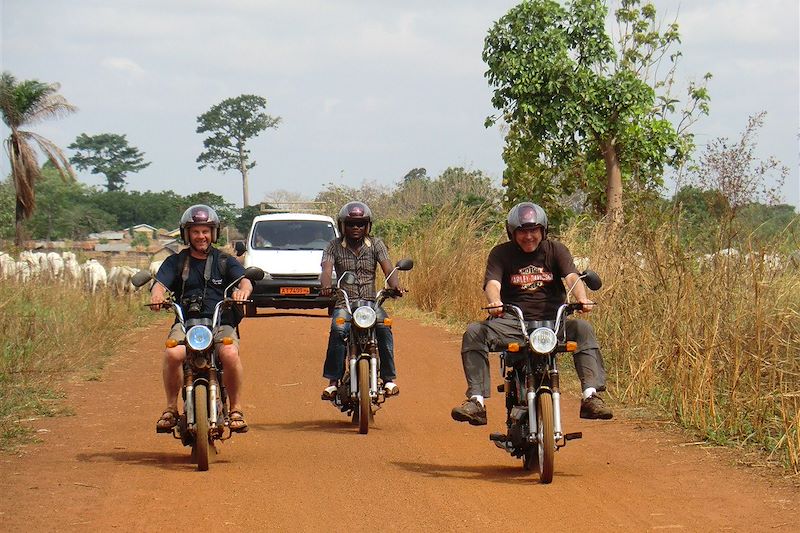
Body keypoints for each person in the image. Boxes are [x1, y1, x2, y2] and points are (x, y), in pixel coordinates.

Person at [451, 202, 612, 426]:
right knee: (474, 332)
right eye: (523, 232)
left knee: (583, 329)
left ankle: (591, 396)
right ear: (512, 233)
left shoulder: (556, 250)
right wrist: (495, 301)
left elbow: (572, 277)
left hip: (553, 323)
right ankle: (476, 401)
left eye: (533, 230)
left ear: (543, 231)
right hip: (513, 323)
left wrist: (582, 298)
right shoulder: (501, 254)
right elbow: (492, 282)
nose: (529, 236)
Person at [151, 204, 254, 433]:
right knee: (173, 352)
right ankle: (170, 408)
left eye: (205, 231)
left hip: (220, 322)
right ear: (187, 234)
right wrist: (157, 296)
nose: (201, 236)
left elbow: (244, 280)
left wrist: (242, 291)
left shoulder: (225, 261)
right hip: (186, 323)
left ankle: (236, 408)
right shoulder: (176, 262)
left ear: (213, 233)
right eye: (196, 231)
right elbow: (159, 285)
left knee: (229, 353)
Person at [319, 201, 402, 400]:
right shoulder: (333, 246)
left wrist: (395, 286)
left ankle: (389, 378)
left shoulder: (376, 244)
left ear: (367, 226)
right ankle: (333, 381)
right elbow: (326, 268)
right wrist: (325, 285)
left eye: (360, 224)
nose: (356, 228)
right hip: (345, 304)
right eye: (351, 224)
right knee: (338, 330)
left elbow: (388, 268)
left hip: (371, 304)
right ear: (342, 226)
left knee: (384, 327)